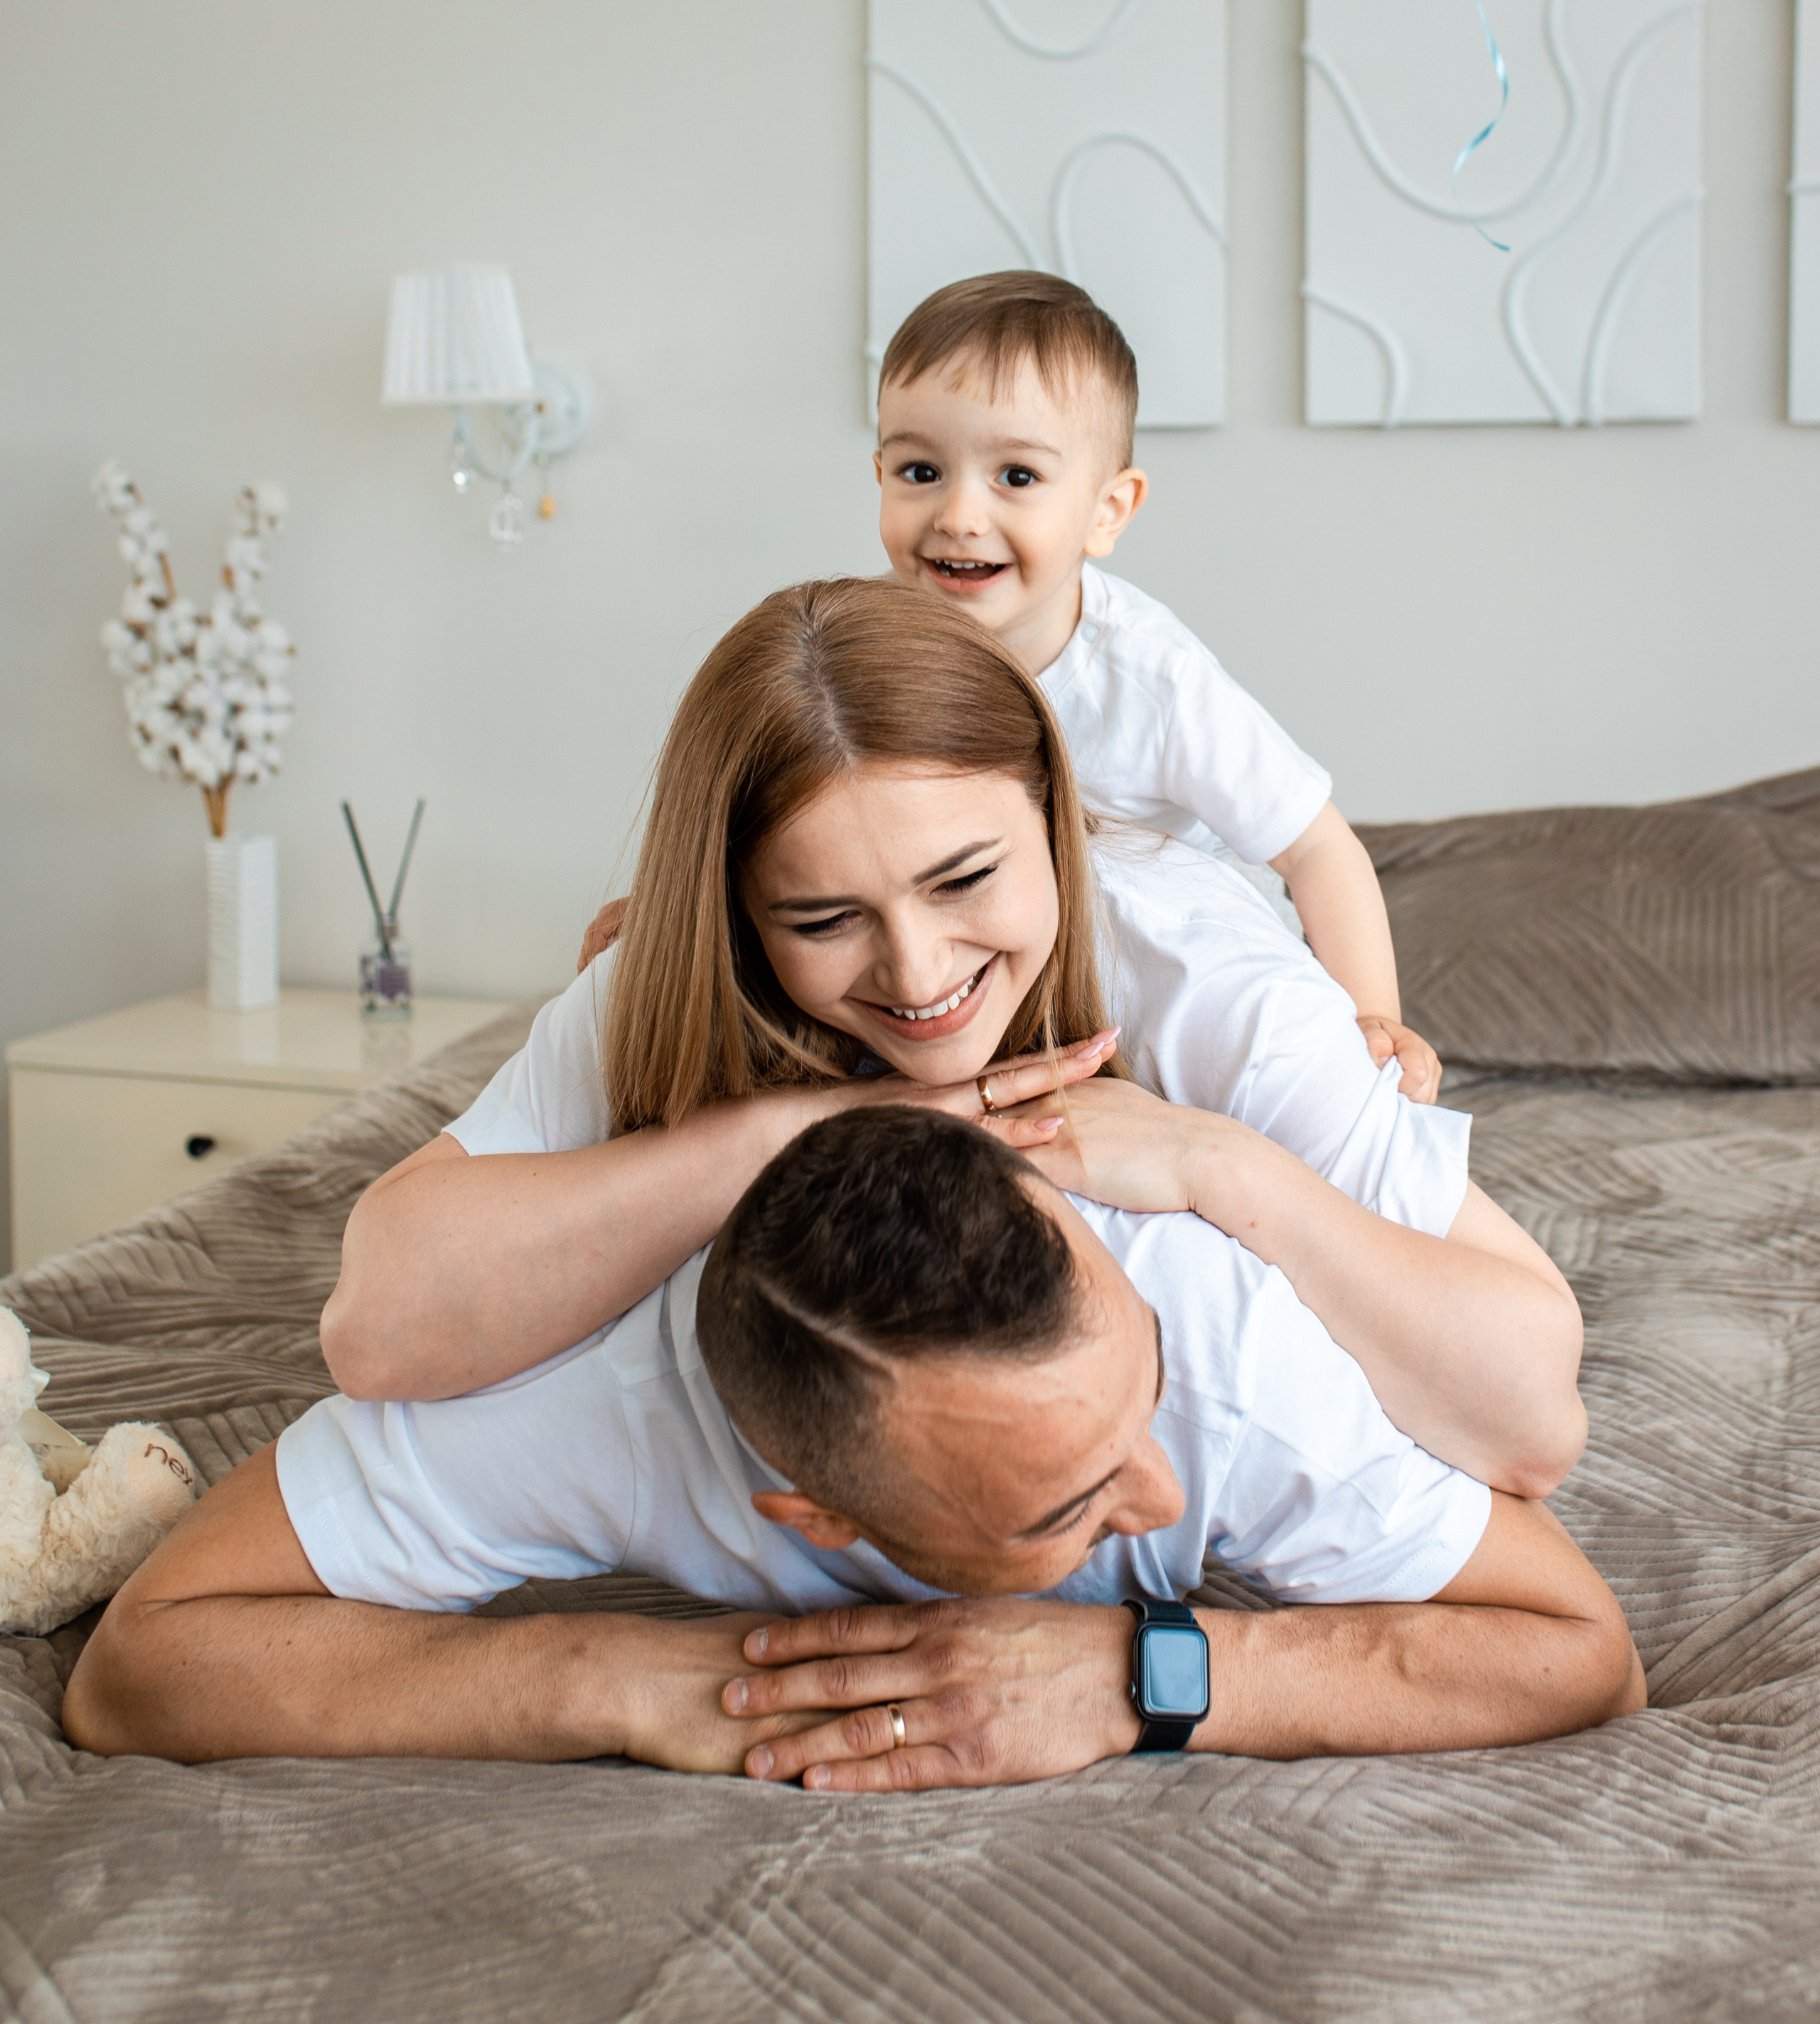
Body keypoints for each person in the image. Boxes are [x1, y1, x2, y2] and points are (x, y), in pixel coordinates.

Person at [323, 579, 1583, 1500]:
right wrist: (804, 1126)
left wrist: (1218, 1165)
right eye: (823, 917)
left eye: (966, 878)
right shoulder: (684, 964)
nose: (921, 975)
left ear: (1055, 813)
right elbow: (377, 1326)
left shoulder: (1212, 983)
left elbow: (1532, 1415)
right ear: (742, 912)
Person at [63, 1107, 1644, 1786]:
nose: (1159, 1488)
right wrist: (606, 1677)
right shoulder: (581, 1399)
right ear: (810, 1515)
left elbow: (1576, 1647)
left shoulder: (1224, 1346)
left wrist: (1149, 1676)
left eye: (1131, 1403)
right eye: (1070, 1502)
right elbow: (143, 1664)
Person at [869, 269, 1441, 1101]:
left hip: (1179, 956)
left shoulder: (1149, 677)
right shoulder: (865, 654)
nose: (958, 515)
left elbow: (1316, 846)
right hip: (992, 968)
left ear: (1108, 511)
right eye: (920, 472)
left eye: (1016, 478)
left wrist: (1372, 1020)